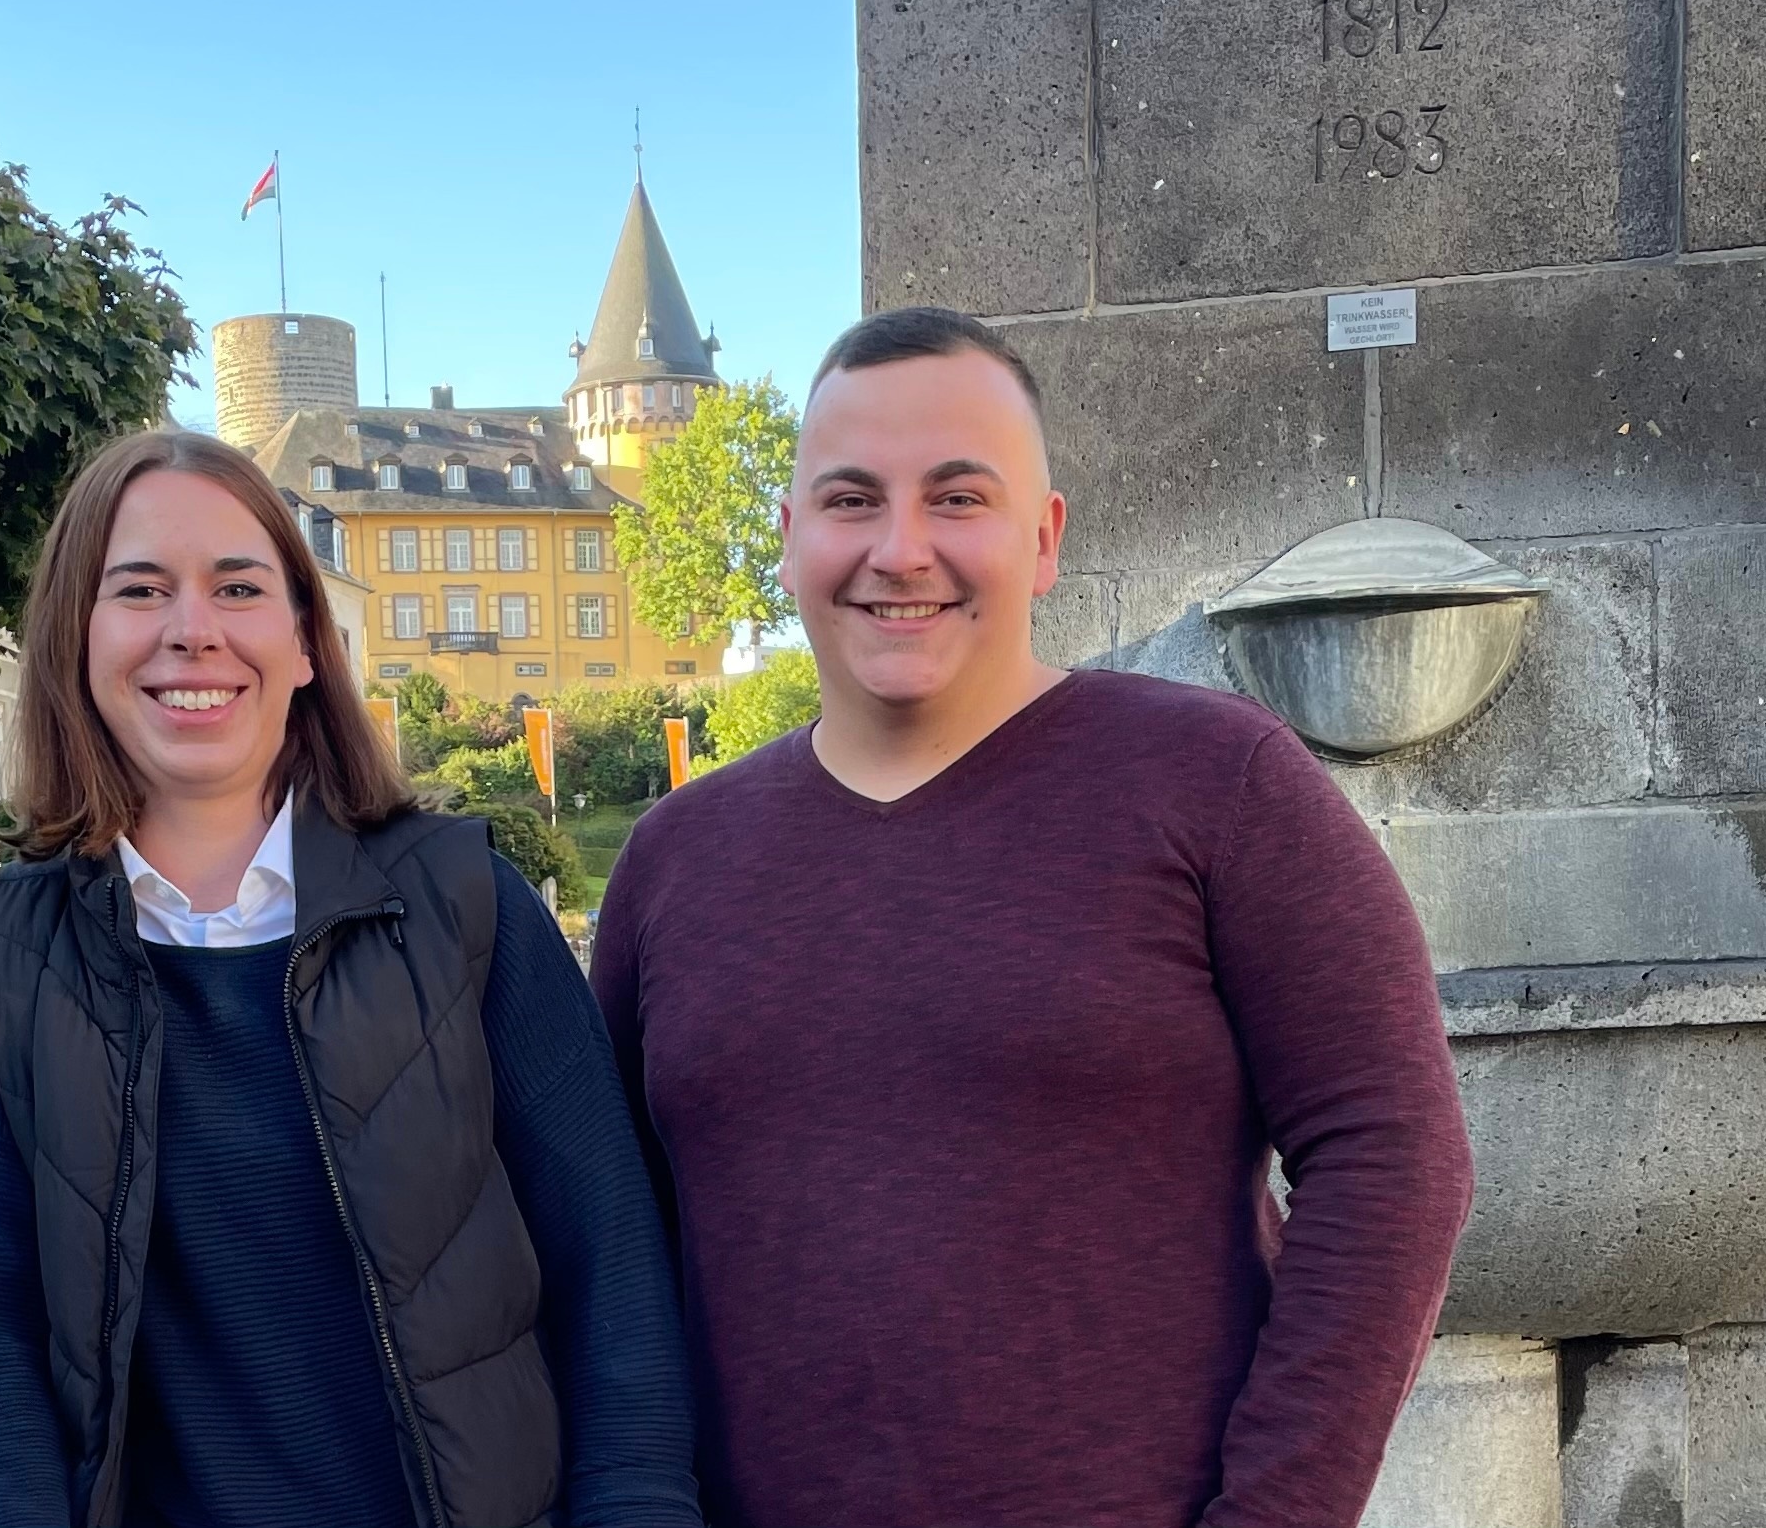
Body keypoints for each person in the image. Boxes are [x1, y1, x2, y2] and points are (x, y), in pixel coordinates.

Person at [591, 308, 1476, 1528]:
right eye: (851, 499)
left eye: (958, 496)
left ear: (1043, 536)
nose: (900, 549)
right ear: (788, 538)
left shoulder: (1220, 784)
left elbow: (1394, 1155)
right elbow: (614, 1245)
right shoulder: (673, 859)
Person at [0, 428, 700, 1528]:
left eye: (238, 586)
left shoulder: (463, 900)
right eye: (138, 589)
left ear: (303, 640)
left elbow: (608, 1260)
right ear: (75, 639)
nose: (193, 630)